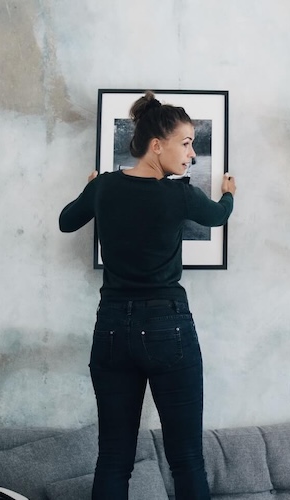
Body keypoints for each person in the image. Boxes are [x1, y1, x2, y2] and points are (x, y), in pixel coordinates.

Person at [59, 91, 236, 500]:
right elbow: (218, 215)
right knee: (187, 459)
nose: (191, 154)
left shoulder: (103, 187)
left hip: (112, 329)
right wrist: (229, 192)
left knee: (113, 459)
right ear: (157, 145)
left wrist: (89, 189)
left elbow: (68, 221)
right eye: (186, 143)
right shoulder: (180, 193)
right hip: (166, 325)